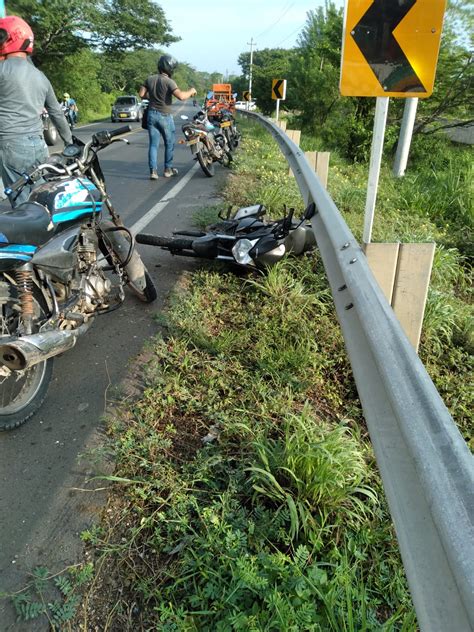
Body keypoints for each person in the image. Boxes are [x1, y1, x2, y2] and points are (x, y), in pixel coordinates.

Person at [0, 15, 73, 206]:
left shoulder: (2, 70)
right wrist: (70, 141)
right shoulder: (40, 76)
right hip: (38, 146)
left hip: (11, 146)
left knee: (25, 209)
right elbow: (56, 112)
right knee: (39, 199)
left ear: (9, 38)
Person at [139, 54, 197, 180]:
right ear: (169, 67)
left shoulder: (149, 79)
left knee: (153, 145)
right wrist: (191, 91)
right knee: (169, 143)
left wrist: (153, 97)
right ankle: (167, 169)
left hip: (151, 115)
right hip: (164, 116)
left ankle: (153, 172)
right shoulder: (169, 82)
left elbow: (141, 94)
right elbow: (181, 96)